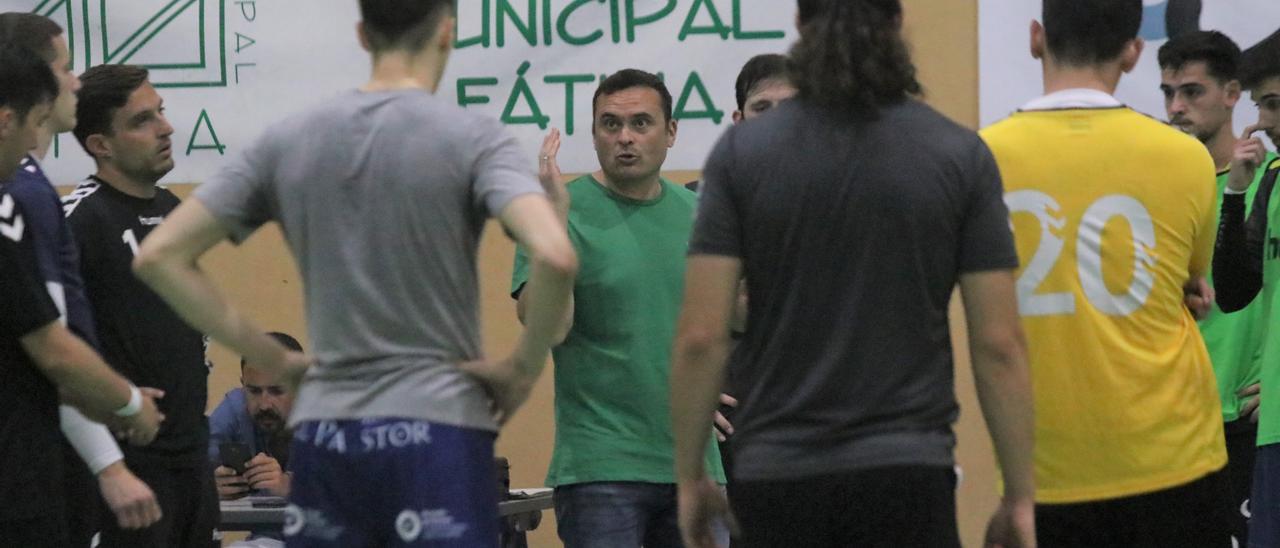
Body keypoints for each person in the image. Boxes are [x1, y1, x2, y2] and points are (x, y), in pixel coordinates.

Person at [131, 0, 577, 545]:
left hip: (331, 434)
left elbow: (159, 256)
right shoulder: (473, 138)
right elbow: (555, 254)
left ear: (363, 34)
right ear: (447, 32)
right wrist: (520, 370)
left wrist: (271, 356)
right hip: (438, 427)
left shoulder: (292, 138)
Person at [670, 1, 1036, 547]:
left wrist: (690, 478)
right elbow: (1000, 343)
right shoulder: (958, 153)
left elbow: (700, 337)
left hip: (777, 476)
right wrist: (1020, 497)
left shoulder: (742, 155)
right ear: (896, 27)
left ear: (800, 28)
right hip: (908, 472)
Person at [982, 0, 1229, 545]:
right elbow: (1192, 279)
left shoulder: (982, 157)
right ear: (1134, 51)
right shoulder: (1187, 158)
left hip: (1046, 465)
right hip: (1175, 454)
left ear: (1035, 38)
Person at [513, 68, 728, 547]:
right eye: (609, 125)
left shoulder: (701, 216)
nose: (625, 138)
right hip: (600, 469)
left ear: (670, 133)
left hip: (696, 468)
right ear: (593, 135)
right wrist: (557, 221)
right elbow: (550, 328)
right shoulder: (553, 211)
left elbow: (726, 320)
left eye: (640, 123)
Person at [0, 13, 163, 546]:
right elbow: (51, 347)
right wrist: (122, 416)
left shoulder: (29, 190)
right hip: (28, 470)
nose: (77, 82)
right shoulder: (25, 198)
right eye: (65, 69)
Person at [63, 64, 218, 548]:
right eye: (142, 120)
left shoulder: (176, 212)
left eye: (162, 113)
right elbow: (51, 354)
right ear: (100, 145)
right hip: (126, 473)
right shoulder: (77, 222)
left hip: (193, 463)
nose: (166, 128)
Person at [1158, 29, 1270, 546]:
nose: (1177, 107)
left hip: (1247, 419)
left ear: (1231, 94)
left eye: (1192, 92)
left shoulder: (1268, 176)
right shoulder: (1156, 189)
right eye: (1168, 93)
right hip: (1176, 424)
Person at [1215, 29, 1280, 548]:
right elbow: (1234, 289)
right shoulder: (1274, 179)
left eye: (1275, 104)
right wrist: (1236, 195)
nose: (1263, 123)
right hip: (1272, 435)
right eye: (1261, 106)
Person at [209, 331, 304, 500]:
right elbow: (186, 468)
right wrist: (208, 486)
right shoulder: (234, 409)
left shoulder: (327, 419)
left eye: (277, 391)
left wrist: (291, 486)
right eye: (254, 391)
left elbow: (351, 490)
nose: (264, 404)